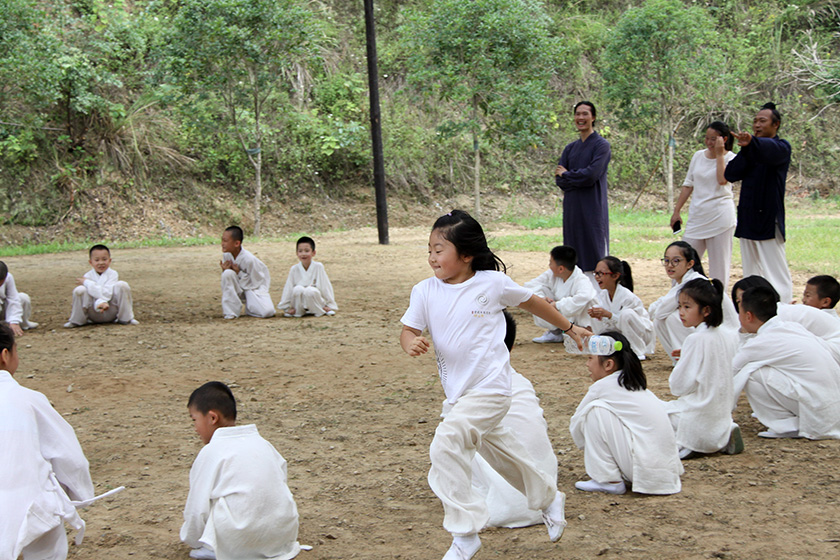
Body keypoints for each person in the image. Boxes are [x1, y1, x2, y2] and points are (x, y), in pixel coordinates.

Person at [399, 210, 591, 560]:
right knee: (504, 456)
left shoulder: (491, 284)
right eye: (429, 249)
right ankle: (549, 498)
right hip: (461, 396)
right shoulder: (424, 291)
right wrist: (410, 342)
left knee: (445, 444)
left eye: (439, 249)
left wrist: (569, 327)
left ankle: (465, 533)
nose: (432, 257)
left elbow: (533, 302)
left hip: (492, 390)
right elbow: (409, 329)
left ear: (466, 254)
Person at [0, 324, 96, 559]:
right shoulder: (29, 400)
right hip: (29, 509)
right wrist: (79, 496)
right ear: (5, 355)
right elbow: (71, 459)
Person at [181, 381, 301, 560]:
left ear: (212, 418)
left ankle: (219, 550)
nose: (195, 428)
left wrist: (193, 540)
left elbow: (197, 510)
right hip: (281, 538)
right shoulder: (263, 444)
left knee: (212, 503)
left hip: (239, 541)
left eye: (194, 420)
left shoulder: (211, 452)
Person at [470, 311, 558, 529]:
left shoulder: (471, 385)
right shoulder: (521, 382)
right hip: (545, 489)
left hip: (507, 504)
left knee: (455, 435)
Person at [569, 331, 683, 495]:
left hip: (648, 472)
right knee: (602, 411)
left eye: (590, 358)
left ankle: (609, 480)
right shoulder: (633, 384)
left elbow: (576, 425)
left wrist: (589, 446)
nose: (587, 364)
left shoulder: (603, 386)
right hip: (665, 473)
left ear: (608, 365)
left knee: (594, 411)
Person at [733, 286, 840, 439]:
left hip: (822, 414)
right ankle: (793, 421)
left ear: (748, 316)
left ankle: (785, 425)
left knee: (751, 372)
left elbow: (731, 370)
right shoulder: (792, 326)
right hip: (832, 408)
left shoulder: (763, 341)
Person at [661, 279, 743, 459]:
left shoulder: (695, 340)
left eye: (687, 307)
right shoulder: (725, 335)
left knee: (654, 413)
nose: (681, 312)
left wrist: (684, 361)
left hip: (697, 418)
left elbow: (678, 387)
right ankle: (725, 430)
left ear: (706, 310)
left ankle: (695, 441)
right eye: (680, 306)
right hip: (720, 416)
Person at [724, 102, 793, 303]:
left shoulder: (781, 148)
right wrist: (747, 148)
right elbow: (730, 173)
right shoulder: (751, 151)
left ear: (776, 125)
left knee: (776, 273)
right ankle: (755, 311)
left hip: (768, 219)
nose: (757, 124)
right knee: (752, 273)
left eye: (762, 121)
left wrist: (752, 142)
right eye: (755, 121)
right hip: (748, 217)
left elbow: (768, 150)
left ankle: (785, 312)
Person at [670, 121, 737, 288]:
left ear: (724, 139)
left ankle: (718, 303)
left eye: (713, 139)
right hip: (697, 215)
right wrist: (677, 211)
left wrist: (720, 154)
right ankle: (676, 298)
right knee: (683, 259)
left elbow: (722, 180)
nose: (709, 142)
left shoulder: (731, 158)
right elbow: (688, 184)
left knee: (719, 268)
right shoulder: (698, 156)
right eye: (707, 138)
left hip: (721, 215)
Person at [555, 101, 611, 280]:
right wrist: (572, 178)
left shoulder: (601, 146)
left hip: (592, 209)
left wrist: (568, 175)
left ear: (593, 117)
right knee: (572, 252)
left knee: (594, 250)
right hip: (572, 210)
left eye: (585, 114)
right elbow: (559, 179)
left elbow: (591, 175)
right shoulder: (570, 148)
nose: (581, 118)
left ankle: (598, 296)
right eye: (578, 114)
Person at [733, 275, 840, 367]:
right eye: (738, 301)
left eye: (745, 299)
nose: (742, 305)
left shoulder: (779, 314)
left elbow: (746, 354)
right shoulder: (777, 313)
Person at [525, 245, 598, 343]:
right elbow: (529, 285)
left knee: (589, 301)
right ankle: (555, 332)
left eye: (551, 262)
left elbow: (585, 296)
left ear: (560, 269)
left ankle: (581, 332)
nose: (549, 265)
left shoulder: (581, 280)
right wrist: (542, 299)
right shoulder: (551, 274)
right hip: (561, 313)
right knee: (537, 293)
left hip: (577, 319)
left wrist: (557, 305)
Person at [648, 241, 707, 362]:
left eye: (676, 261)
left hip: (714, 334)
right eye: (666, 260)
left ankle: (689, 361)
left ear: (690, 264)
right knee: (661, 320)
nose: (670, 265)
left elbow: (659, 311)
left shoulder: (692, 282)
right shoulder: (682, 282)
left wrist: (661, 307)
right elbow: (658, 307)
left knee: (673, 317)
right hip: (703, 332)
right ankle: (680, 360)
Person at [587, 256, 654, 360]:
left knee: (626, 314)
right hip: (620, 333)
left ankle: (636, 352)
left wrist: (608, 315)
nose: (597, 277)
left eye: (601, 273)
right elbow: (610, 324)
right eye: (596, 273)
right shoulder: (602, 295)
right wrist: (599, 316)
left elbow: (625, 321)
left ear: (615, 276)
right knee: (595, 310)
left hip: (640, 334)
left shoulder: (628, 297)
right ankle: (603, 346)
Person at [64, 244, 138, 327]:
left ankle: (126, 319)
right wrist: (100, 303)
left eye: (104, 259)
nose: (101, 263)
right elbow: (94, 294)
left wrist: (88, 283)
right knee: (79, 290)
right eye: (97, 260)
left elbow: (107, 292)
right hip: (93, 312)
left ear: (110, 261)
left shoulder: (113, 274)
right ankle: (77, 321)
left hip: (111, 309)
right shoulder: (87, 276)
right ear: (90, 262)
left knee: (122, 285)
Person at [220, 226, 275, 320]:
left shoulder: (249, 260)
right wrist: (225, 270)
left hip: (254, 289)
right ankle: (231, 312)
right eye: (222, 240)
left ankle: (250, 307)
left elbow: (256, 281)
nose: (222, 244)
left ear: (237, 243)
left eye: (225, 241)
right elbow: (229, 280)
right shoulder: (227, 255)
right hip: (239, 287)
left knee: (267, 312)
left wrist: (239, 273)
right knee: (227, 274)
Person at [276, 236, 338, 318]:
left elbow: (325, 286)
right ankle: (298, 311)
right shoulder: (294, 269)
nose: (303, 254)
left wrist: (329, 305)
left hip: (314, 298)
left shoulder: (318, 267)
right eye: (300, 251)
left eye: (307, 251)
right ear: (297, 253)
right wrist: (286, 307)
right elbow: (288, 287)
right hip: (299, 302)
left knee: (310, 291)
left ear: (313, 253)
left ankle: (319, 309)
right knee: (297, 289)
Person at [0, 261, 38, 335]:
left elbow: (13, 299)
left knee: (23, 298)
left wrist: (14, 321)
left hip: (3, 309)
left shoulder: (9, 277)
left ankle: (22, 324)